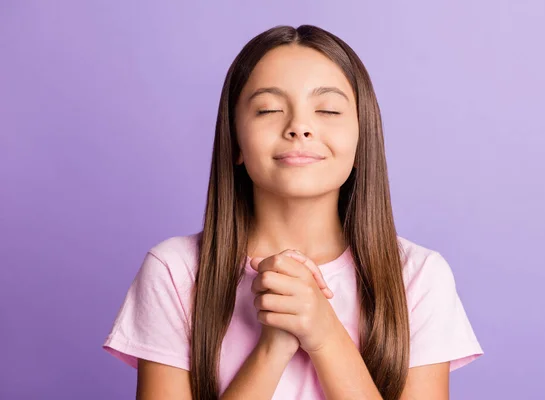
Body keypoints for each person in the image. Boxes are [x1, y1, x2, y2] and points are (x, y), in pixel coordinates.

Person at [102, 24, 483, 400]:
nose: (299, 126)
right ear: (235, 141)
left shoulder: (417, 277)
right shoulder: (175, 271)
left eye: (328, 110)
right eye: (268, 109)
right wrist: (272, 349)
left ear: (361, 139)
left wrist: (324, 334)